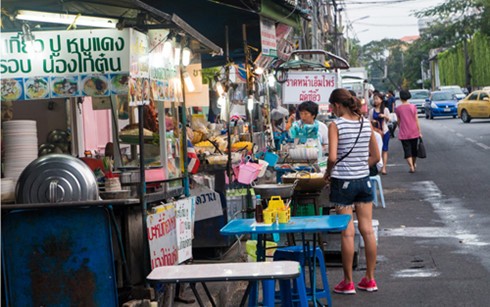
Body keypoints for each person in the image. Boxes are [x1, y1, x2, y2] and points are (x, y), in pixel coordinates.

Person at [324, 88, 380, 295]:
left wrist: (329, 173)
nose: (332, 110)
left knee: (347, 233)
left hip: (343, 184)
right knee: (367, 230)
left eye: (332, 106)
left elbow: (331, 157)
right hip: (363, 182)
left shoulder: (335, 125)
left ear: (338, 105)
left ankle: (348, 282)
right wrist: (360, 166)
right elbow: (375, 156)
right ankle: (370, 279)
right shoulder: (366, 123)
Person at [395, 90, 422, 173]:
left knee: (407, 150)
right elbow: (416, 120)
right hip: (414, 131)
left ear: (400, 98)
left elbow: (398, 121)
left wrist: (400, 127)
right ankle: (413, 164)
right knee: (414, 150)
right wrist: (419, 132)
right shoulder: (413, 107)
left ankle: (411, 166)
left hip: (404, 132)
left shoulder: (398, 108)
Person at [368, 93, 391, 175]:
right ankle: (378, 165)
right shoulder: (371, 111)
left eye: (377, 99)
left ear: (381, 100)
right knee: (377, 148)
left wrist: (384, 116)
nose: (375, 100)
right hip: (375, 132)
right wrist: (372, 121)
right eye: (374, 99)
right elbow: (369, 121)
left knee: (384, 149)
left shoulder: (385, 110)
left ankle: (384, 167)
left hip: (384, 131)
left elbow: (389, 120)